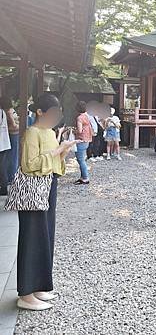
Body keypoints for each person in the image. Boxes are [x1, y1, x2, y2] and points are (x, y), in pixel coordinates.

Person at [18, 93, 79, 311]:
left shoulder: (49, 132)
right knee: (32, 237)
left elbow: (54, 162)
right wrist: (57, 150)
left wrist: (64, 151)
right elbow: (29, 165)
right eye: (51, 113)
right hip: (34, 188)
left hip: (48, 186)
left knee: (45, 236)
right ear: (40, 113)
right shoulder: (33, 132)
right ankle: (25, 293)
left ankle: (39, 285)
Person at [0, 97, 19, 188]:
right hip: (11, 135)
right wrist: (21, 127)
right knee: (12, 156)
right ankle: (11, 177)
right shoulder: (7, 112)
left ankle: (9, 178)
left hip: (8, 137)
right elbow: (14, 125)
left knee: (9, 158)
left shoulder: (4, 111)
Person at [73, 101, 93, 184]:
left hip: (81, 140)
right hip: (87, 139)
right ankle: (82, 176)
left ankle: (85, 177)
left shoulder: (80, 118)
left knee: (81, 160)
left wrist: (74, 131)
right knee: (82, 159)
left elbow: (80, 131)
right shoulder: (87, 116)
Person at [0, 99, 12, 196]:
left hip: (1, 144)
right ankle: (4, 187)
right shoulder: (3, 112)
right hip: (4, 143)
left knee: (2, 167)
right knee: (2, 166)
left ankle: (3, 188)